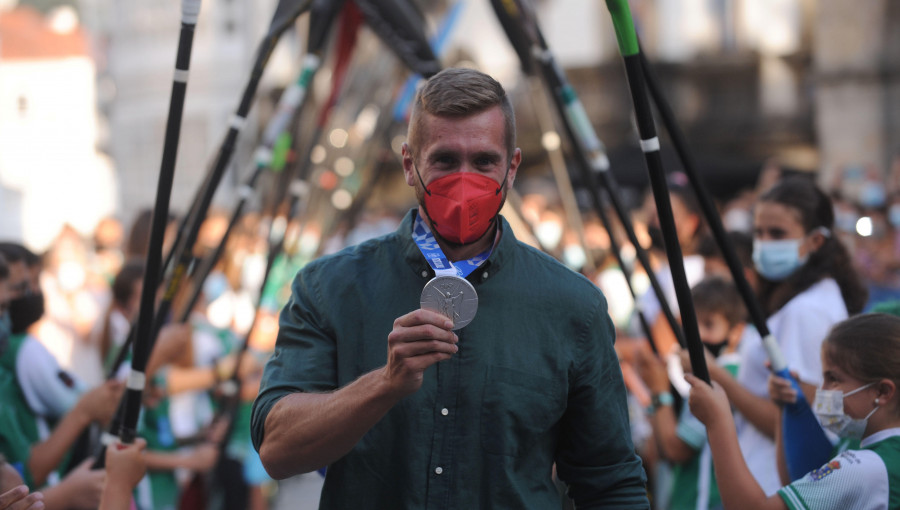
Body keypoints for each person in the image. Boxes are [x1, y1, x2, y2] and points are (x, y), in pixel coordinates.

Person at [251, 67, 648, 508]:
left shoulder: (574, 306)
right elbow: (276, 449)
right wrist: (383, 385)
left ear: (511, 168)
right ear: (409, 165)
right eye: (444, 160)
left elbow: (611, 482)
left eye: (483, 162)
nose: (464, 181)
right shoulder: (330, 287)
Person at [685, 175, 868, 494]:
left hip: (774, 483)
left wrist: (719, 379)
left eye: (778, 233)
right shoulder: (800, 301)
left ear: (815, 241)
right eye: (759, 232)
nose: (766, 242)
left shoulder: (806, 311)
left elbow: (797, 422)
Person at [687, 313, 900, 509]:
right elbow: (797, 483)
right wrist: (786, 410)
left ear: (882, 392)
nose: (822, 391)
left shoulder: (866, 468)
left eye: (833, 379)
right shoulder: (877, 456)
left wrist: (717, 421)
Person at [636, 277, 745, 510]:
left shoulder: (726, 376)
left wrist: (659, 390)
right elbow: (657, 452)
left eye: (709, 325)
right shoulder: (705, 377)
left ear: (736, 332)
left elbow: (676, 449)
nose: (698, 336)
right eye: (692, 326)